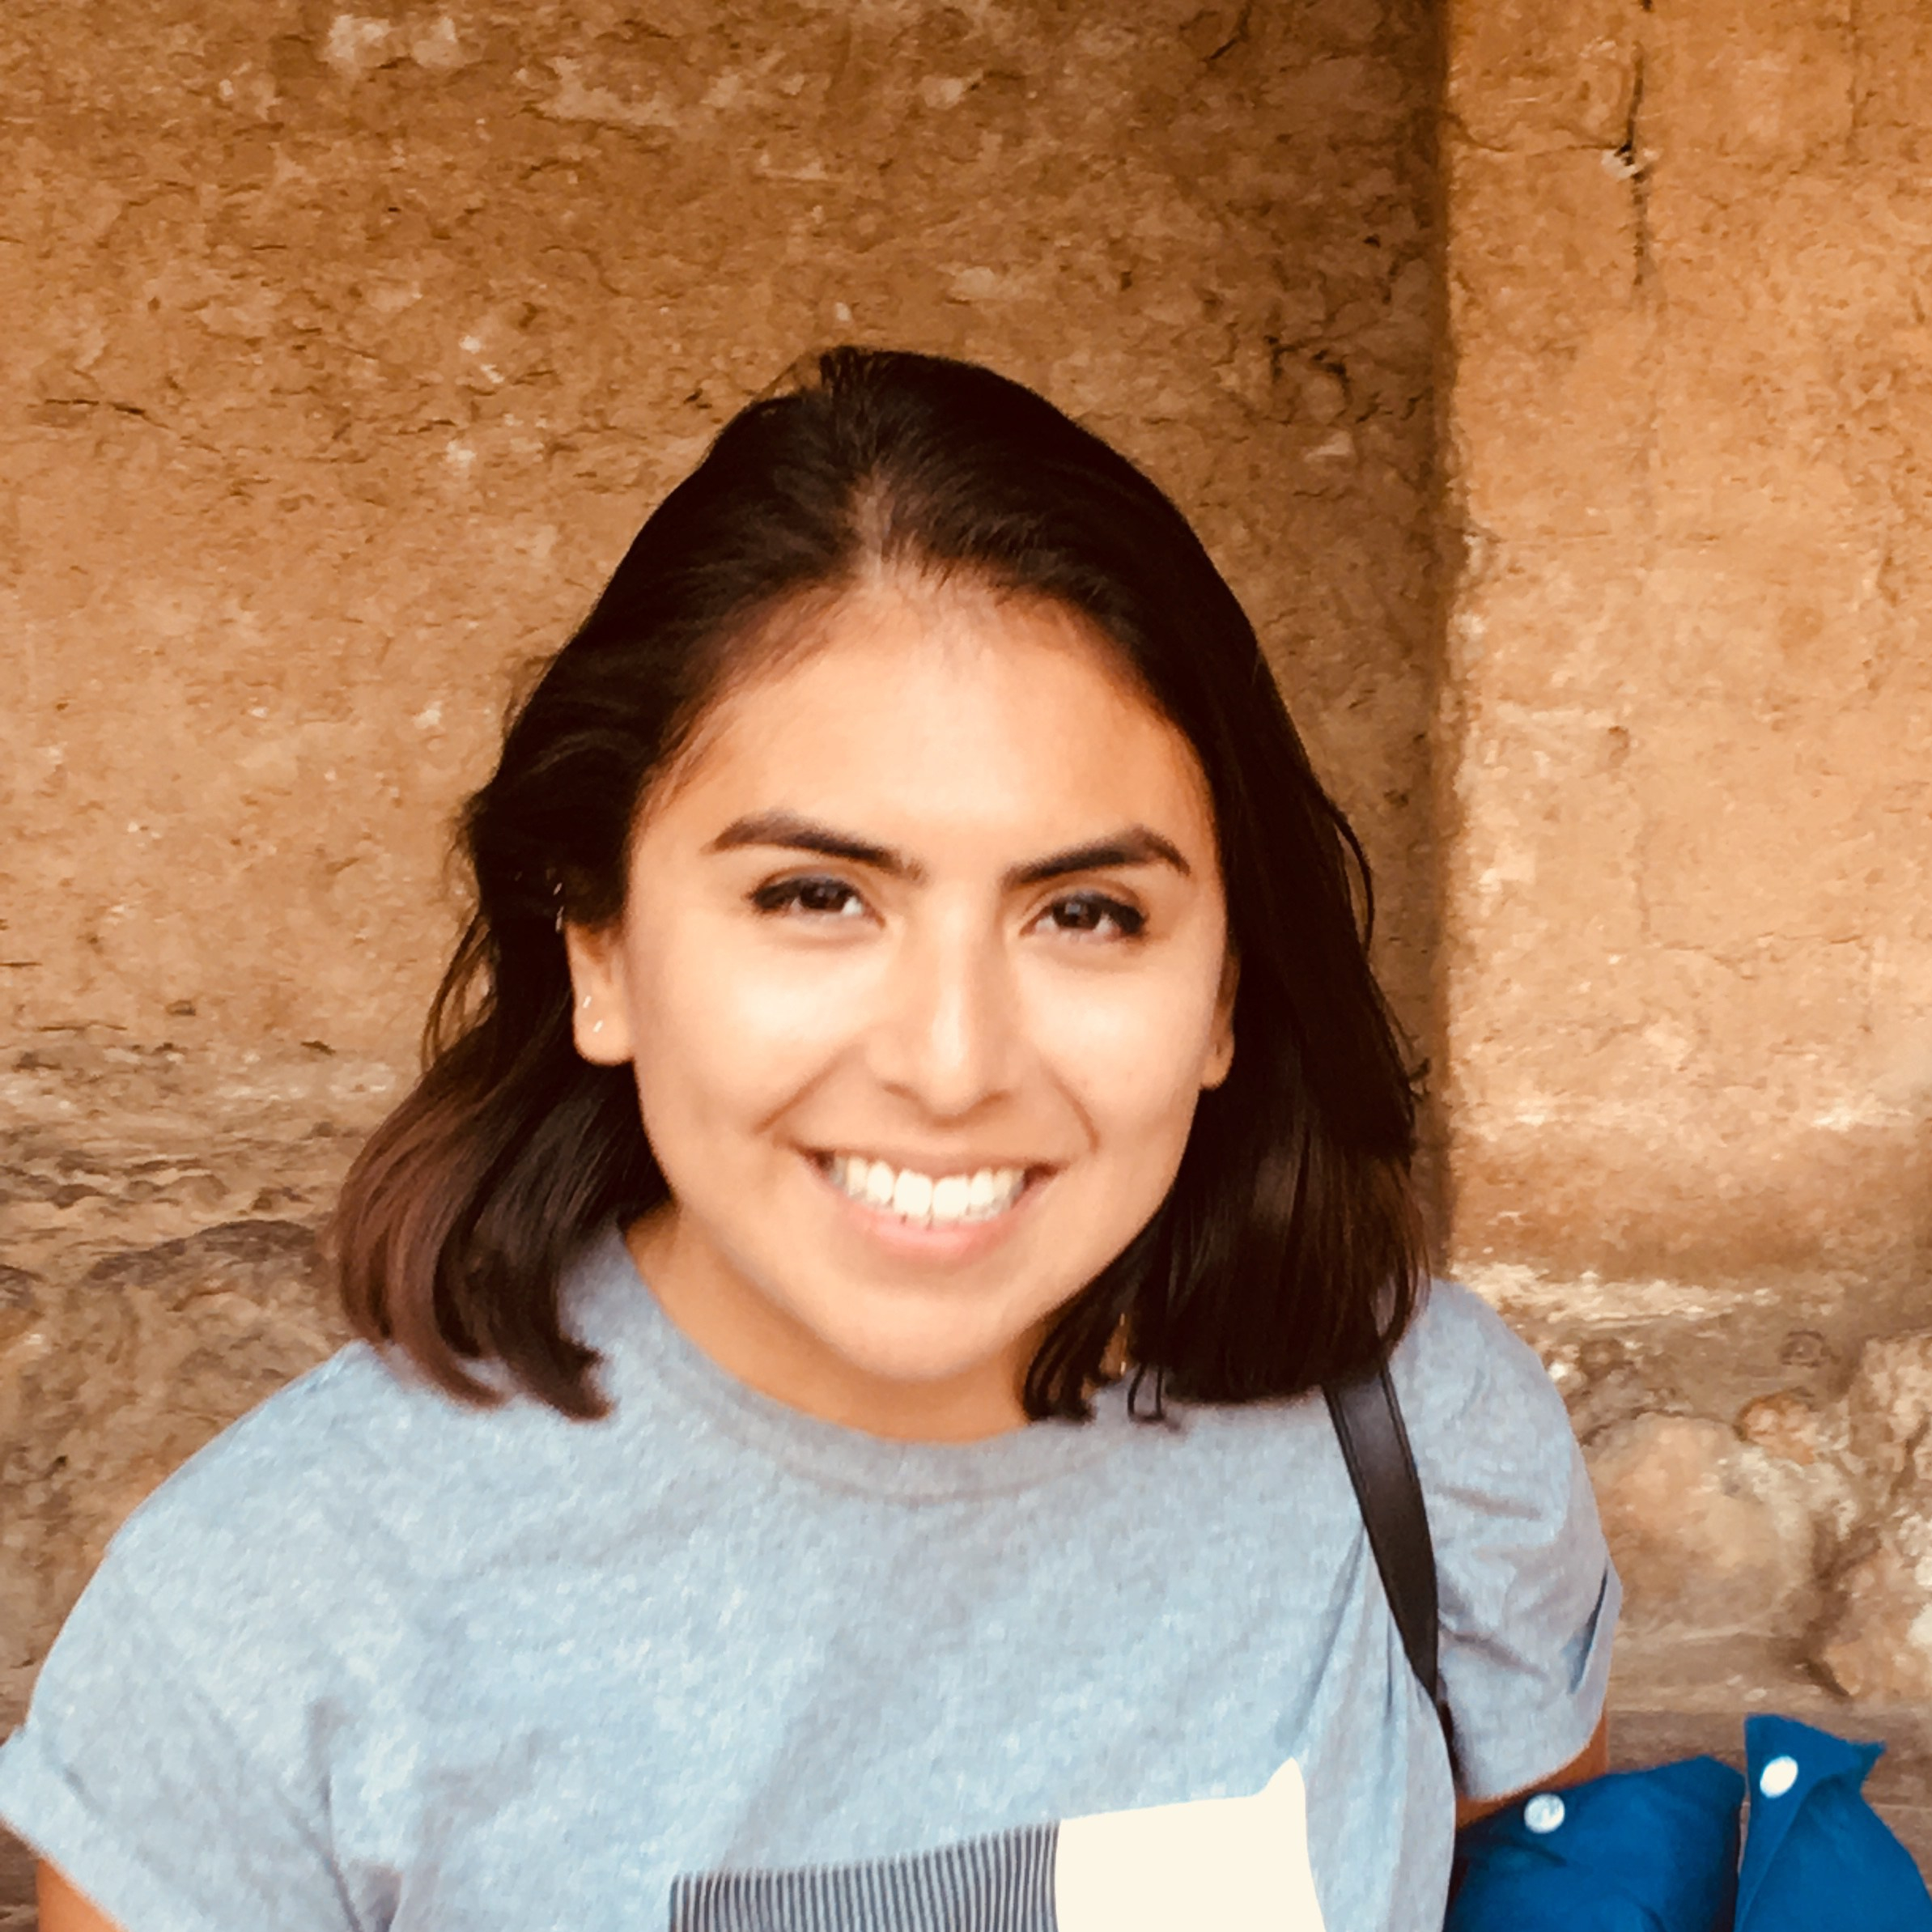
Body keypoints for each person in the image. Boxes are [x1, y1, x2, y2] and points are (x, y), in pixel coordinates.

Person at [1, 347, 1617, 1932]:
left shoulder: (1415, 1438)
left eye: (1086, 912)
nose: (952, 1063)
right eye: (816, 896)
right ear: (600, 950)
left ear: (1225, 997)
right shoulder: (269, 1621)